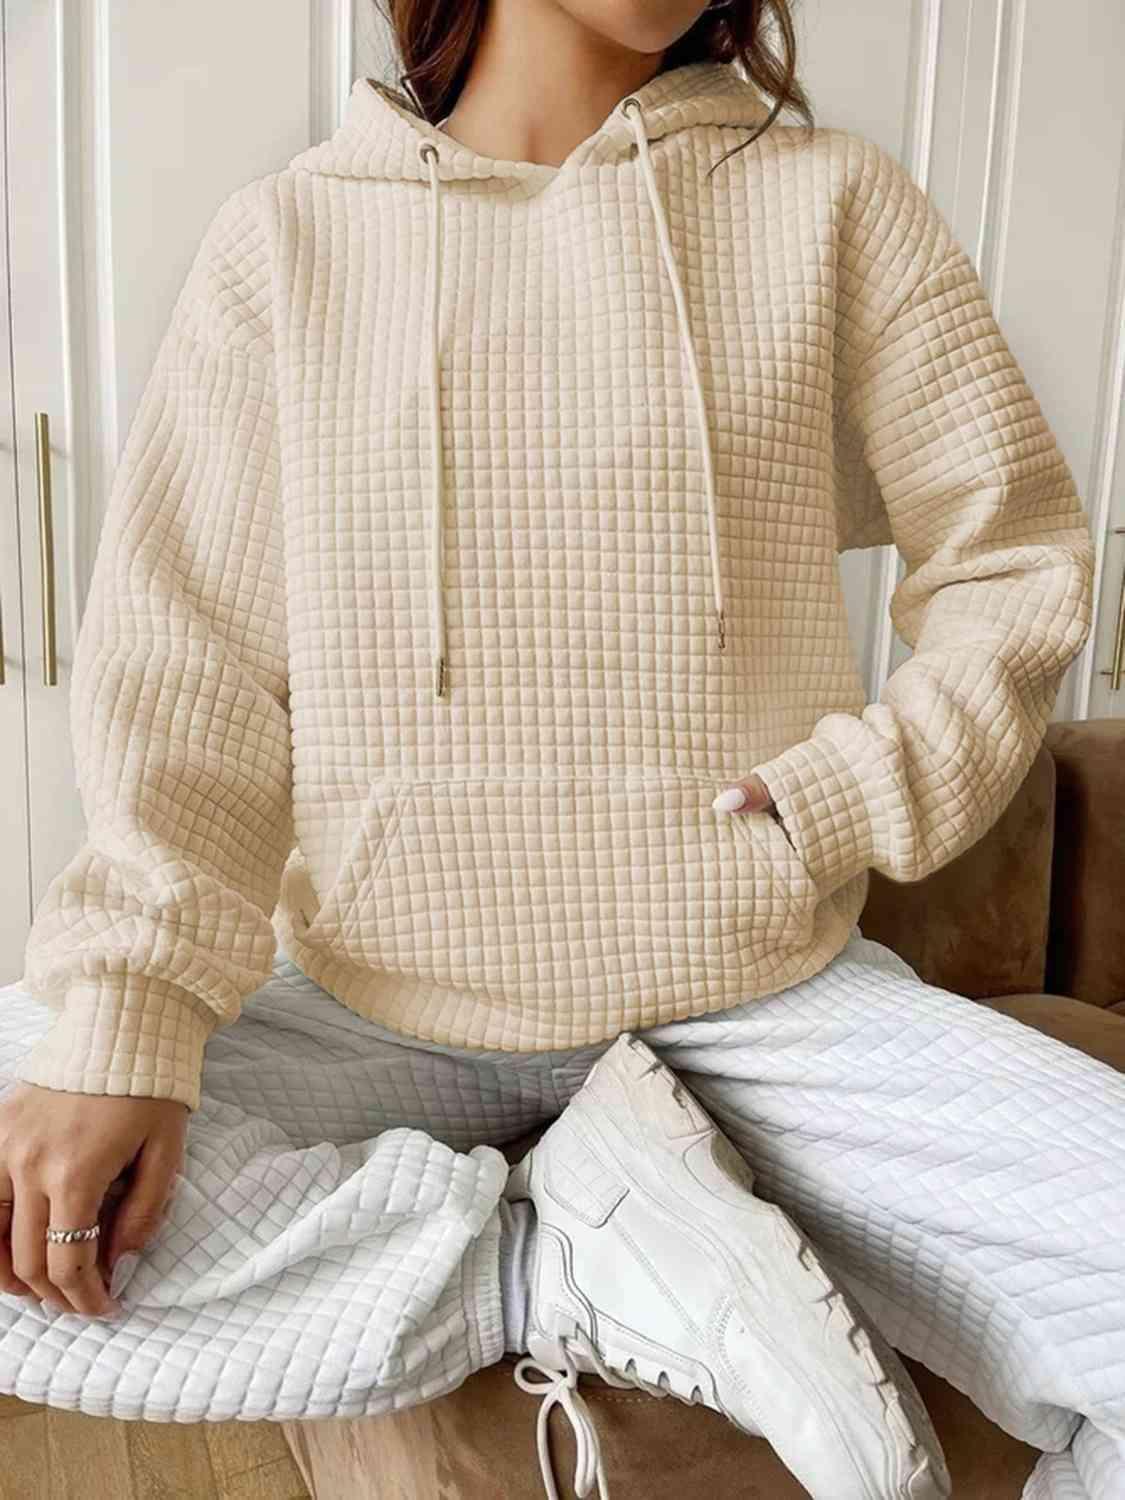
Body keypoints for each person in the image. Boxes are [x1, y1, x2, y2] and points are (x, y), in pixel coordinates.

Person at [0, 2, 1114, 1497]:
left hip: (763, 1001)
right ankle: (551, 1264)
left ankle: (604, 1224)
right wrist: (127, 1015)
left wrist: (847, 795)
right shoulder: (289, 244)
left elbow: (1012, 564)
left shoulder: (831, 204)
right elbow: (189, 667)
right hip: (380, 1001)